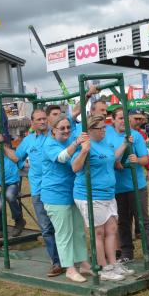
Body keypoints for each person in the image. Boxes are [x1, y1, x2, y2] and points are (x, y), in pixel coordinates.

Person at [0, 109, 63, 277]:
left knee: (63, 226)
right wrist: (3, 146)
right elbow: (16, 157)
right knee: (46, 228)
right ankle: (56, 262)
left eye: (44, 119)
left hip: (57, 189)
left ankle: (70, 258)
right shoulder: (28, 141)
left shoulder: (56, 136)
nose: (42, 122)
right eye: (38, 119)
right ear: (32, 123)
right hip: (38, 190)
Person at [70, 114, 132, 281]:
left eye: (105, 127)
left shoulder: (105, 142)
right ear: (90, 130)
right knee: (99, 232)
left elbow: (112, 157)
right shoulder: (86, 145)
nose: (104, 130)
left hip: (108, 194)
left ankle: (113, 264)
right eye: (100, 128)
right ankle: (103, 268)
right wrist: (83, 151)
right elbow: (75, 168)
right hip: (91, 195)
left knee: (112, 230)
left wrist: (125, 144)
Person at [41, 115, 93, 283]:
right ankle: (70, 269)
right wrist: (76, 143)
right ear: (53, 130)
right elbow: (63, 157)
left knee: (78, 231)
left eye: (67, 128)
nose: (66, 131)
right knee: (64, 234)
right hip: (55, 195)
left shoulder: (70, 138)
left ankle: (84, 263)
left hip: (72, 193)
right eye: (61, 128)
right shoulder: (49, 144)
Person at [113, 107, 149, 266]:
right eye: (119, 118)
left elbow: (146, 159)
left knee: (143, 220)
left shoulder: (136, 136)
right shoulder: (108, 137)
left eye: (124, 118)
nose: (122, 121)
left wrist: (137, 161)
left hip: (137, 185)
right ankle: (127, 253)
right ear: (113, 120)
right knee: (123, 222)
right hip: (118, 188)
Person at [0, 152, 27, 238]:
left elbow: (23, 164)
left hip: (12, 184)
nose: (1, 147)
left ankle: (19, 221)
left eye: (4, 144)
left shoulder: (12, 157)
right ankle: (0, 228)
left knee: (9, 196)